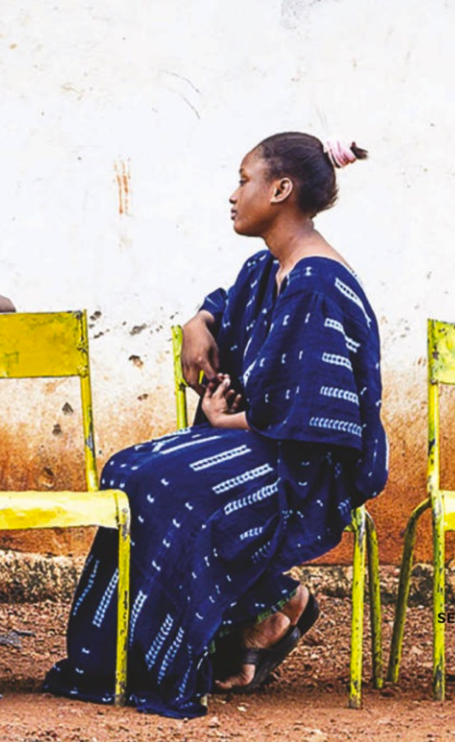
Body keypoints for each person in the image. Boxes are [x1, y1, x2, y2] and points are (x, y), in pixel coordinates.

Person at [44, 132, 388, 718]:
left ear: (280, 190)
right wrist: (197, 320)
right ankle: (267, 608)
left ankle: (200, 641)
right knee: (126, 468)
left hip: (304, 471)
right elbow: (227, 303)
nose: (233, 194)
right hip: (262, 445)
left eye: (244, 179)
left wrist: (226, 419)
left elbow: (311, 419)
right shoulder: (267, 268)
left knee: (170, 487)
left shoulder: (317, 284)